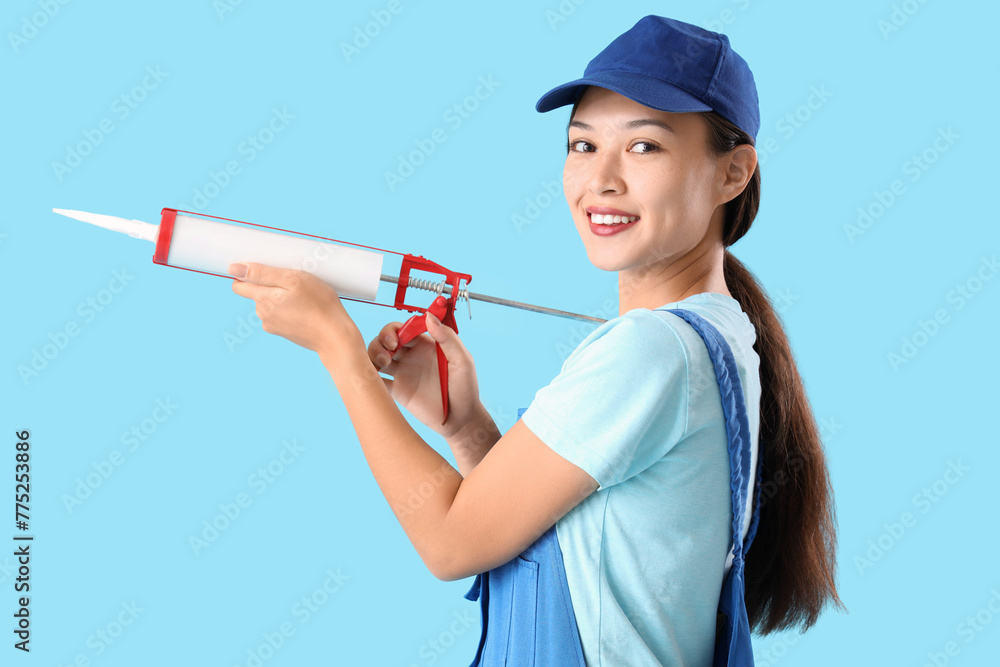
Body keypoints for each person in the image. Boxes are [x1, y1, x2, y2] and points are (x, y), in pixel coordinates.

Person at [227, 14, 843, 666]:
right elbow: (577, 541)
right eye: (582, 145)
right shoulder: (720, 332)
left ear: (733, 173)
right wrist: (468, 429)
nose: (601, 178)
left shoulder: (652, 350)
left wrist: (337, 345)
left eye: (644, 147)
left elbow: (450, 542)